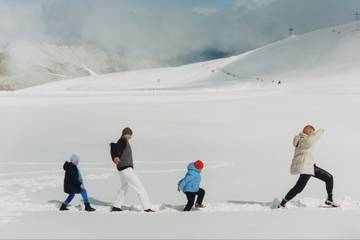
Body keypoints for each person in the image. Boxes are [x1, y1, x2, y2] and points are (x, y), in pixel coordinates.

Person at [279, 125, 338, 208]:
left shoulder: (302, 139)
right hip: (306, 168)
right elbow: (309, 142)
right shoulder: (303, 140)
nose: (313, 134)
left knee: (329, 178)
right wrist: (319, 132)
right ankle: (282, 203)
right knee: (298, 188)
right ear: (308, 131)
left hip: (310, 167)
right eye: (312, 132)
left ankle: (329, 200)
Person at [110, 127, 155, 212]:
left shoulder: (122, 141)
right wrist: (115, 156)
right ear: (125, 134)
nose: (130, 136)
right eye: (129, 134)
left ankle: (116, 206)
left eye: (131, 135)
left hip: (122, 169)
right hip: (126, 169)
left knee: (124, 187)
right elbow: (115, 148)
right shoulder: (123, 140)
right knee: (140, 188)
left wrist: (115, 156)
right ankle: (147, 207)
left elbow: (115, 147)